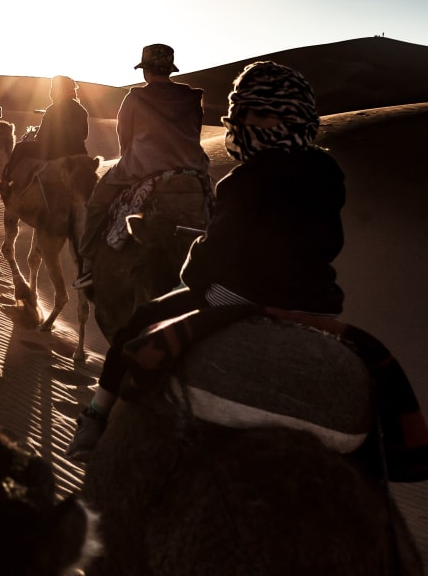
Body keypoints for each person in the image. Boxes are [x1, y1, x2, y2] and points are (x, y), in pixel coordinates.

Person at [65, 60, 347, 462]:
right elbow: (325, 242)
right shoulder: (329, 172)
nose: (245, 123)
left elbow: (207, 264)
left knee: (136, 319)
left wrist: (195, 263)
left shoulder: (244, 179)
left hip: (235, 296)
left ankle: (95, 414)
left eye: (255, 113)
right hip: (317, 303)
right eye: (244, 114)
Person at [71, 44, 209, 290]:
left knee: (97, 203)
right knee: (214, 206)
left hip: (144, 168)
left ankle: (88, 264)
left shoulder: (135, 97)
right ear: (169, 69)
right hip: (193, 170)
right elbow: (195, 132)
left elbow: (124, 136)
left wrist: (130, 159)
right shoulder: (192, 97)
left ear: (146, 71)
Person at [0, 75, 89, 197]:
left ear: (60, 89)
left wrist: (37, 136)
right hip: (78, 152)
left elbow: (42, 135)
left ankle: (5, 183)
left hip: (54, 152)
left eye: (53, 88)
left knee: (20, 147)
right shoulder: (82, 110)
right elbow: (84, 135)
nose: (51, 91)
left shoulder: (53, 109)